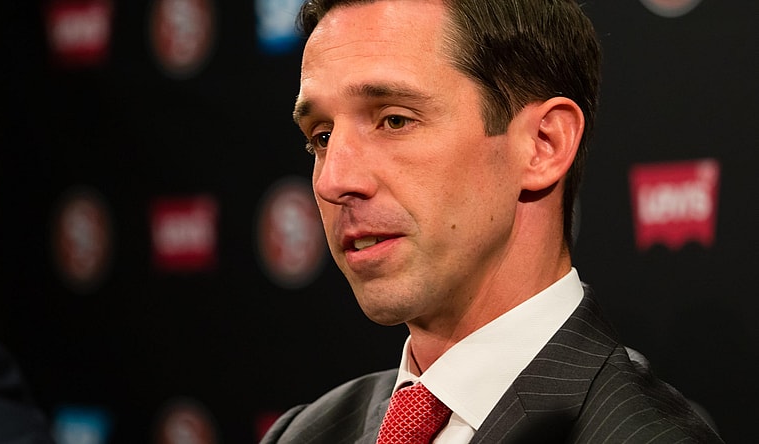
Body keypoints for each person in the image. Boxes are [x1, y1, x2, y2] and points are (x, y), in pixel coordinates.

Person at [261, 0, 724, 442]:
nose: (334, 181)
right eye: (322, 137)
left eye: (395, 120)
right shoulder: (303, 434)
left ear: (543, 144)